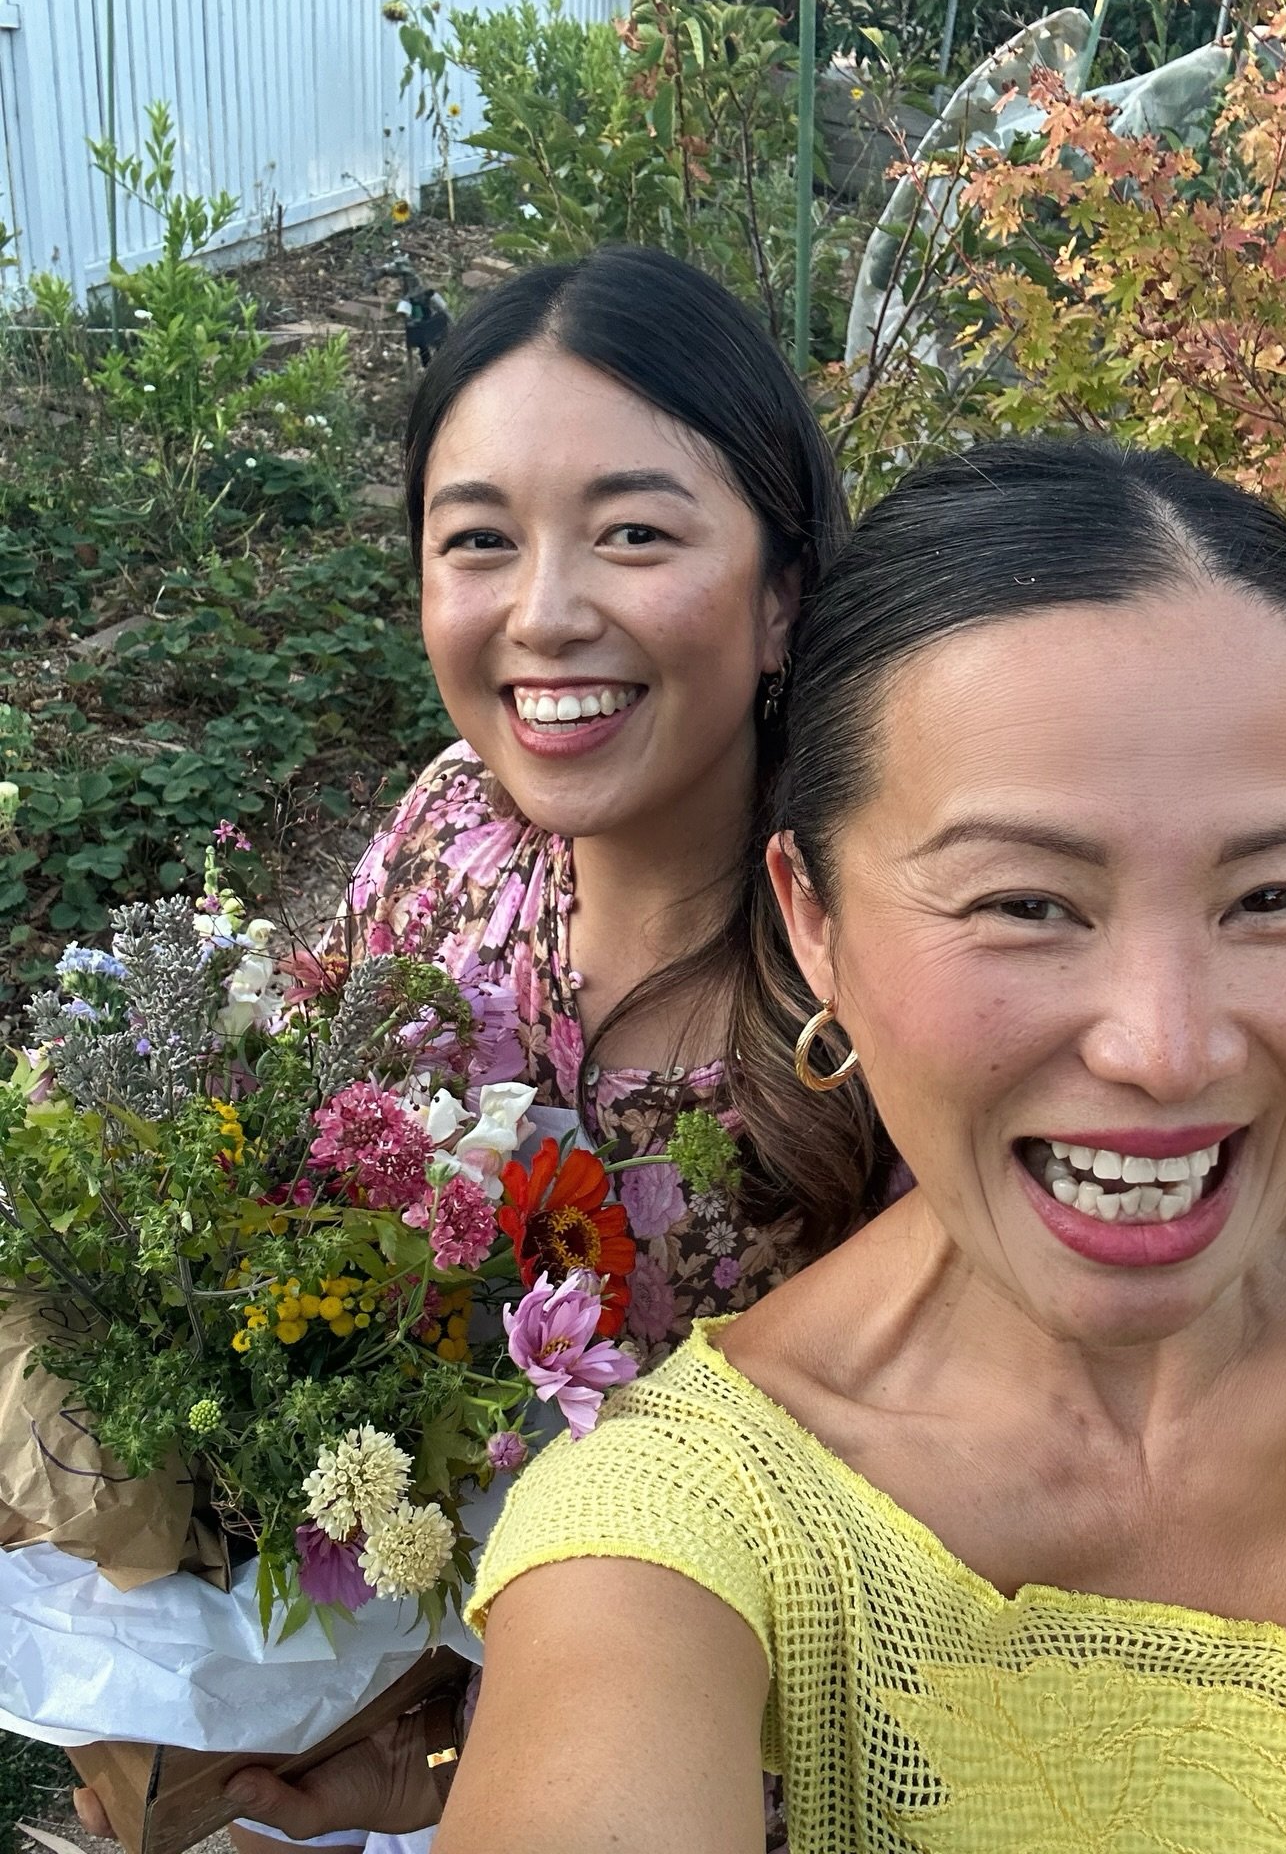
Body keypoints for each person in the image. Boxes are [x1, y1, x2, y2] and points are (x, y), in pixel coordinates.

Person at [452, 437, 1286, 1850]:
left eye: (1277, 894)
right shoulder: (673, 1534)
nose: (1166, 1048)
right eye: (1025, 905)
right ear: (814, 918)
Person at [69, 245, 891, 1854]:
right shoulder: (452, 835)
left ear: (785, 590)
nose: (547, 613)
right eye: (478, 543)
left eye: (635, 533)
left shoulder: (868, 990)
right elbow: (307, 1205)